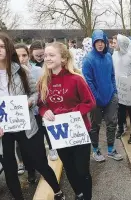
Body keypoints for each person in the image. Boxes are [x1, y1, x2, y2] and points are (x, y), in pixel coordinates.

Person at [0, 33, 65, 200]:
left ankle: (57, 191)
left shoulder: (22, 72)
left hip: (25, 126)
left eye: (1, 46)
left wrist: (29, 103)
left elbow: (35, 94)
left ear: (8, 49)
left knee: (40, 162)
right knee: (10, 170)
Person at [38, 42, 96, 200]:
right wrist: (45, 111)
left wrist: (70, 113)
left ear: (63, 58)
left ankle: (87, 197)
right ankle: (79, 194)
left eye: (51, 55)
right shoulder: (43, 80)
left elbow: (89, 102)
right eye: (45, 55)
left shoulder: (76, 79)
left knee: (82, 170)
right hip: (59, 133)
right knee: (69, 168)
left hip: (79, 131)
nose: (47, 58)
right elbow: (41, 105)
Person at [82, 30, 123, 162]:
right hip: (95, 100)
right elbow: (89, 82)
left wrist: (115, 92)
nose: (100, 44)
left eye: (102, 42)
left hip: (110, 96)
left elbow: (112, 76)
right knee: (95, 126)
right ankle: (95, 150)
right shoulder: (88, 59)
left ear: (105, 42)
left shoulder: (108, 57)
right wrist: (96, 97)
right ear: (93, 43)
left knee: (112, 123)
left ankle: (111, 149)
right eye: (97, 42)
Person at [14, 43, 43, 182]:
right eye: (17, 56)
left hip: (37, 113)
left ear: (28, 55)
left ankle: (44, 168)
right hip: (19, 117)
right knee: (23, 147)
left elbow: (41, 91)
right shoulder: (10, 73)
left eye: (24, 55)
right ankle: (30, 171)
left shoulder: (38, 71)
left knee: (38, 144)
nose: (21, 59)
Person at [28, 41, 59, 161]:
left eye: (43, 55)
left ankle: (52, 148)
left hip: (47, 104)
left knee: (48, 128)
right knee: (37, 133)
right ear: (31, 54)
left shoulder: (47, 65)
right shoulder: (30, 67)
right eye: (38, 56)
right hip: (34, 107)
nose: (41, 58)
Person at [112, 35, 131, 143]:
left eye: (115, 42)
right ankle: (120, 128)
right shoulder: (114, 55)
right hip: (119, 86)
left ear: (121, 43)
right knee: (120, 110)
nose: (113, 45)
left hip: (129, 87)